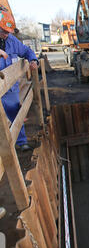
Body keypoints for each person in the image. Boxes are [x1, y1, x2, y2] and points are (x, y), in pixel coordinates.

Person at [0, 19, 39, 151]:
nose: (6, 34)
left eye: (8, 32)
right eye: (3, 31)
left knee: (16, 113)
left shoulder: (11, 41)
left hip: (10, 87)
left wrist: (33, 60)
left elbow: (26, 51)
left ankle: (21, 142)